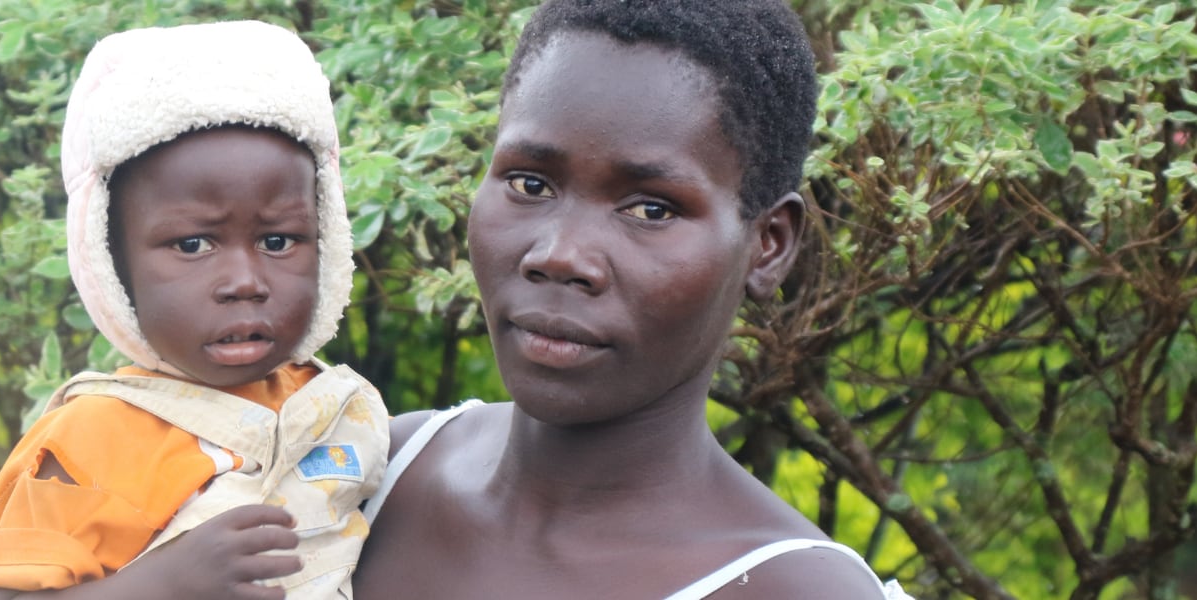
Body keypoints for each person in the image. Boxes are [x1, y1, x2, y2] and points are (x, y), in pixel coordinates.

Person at [347, 0, 914, 598]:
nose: (560, 254)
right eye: (529, 184)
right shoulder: (368, 476)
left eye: (651, 209)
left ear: (767, 246)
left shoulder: (795, 590)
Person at [0, 20, 389, 600]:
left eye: (278, 240)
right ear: (112, 265)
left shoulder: (341, 413)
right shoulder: (90, 440)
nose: (244, 282)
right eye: (193, 245)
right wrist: (166, 583)